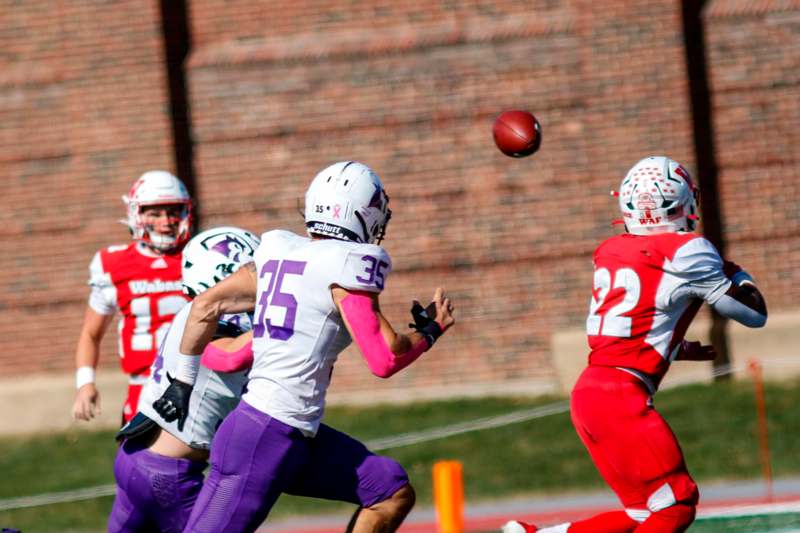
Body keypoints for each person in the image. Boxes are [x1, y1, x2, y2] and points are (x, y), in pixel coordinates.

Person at [152, 161, 456, 533]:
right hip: (265, 434)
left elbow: (205, 305)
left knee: (389, 489)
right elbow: (384, 358)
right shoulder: (346, 265)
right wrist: (430, 332)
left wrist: (182, 381)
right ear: (361, 213)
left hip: (292, 431)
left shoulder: (277, 250)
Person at [503, 156, 767, 533]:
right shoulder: (687, 250)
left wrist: (672, 346)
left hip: (590, 391)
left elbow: (631, 322)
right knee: (676, 505)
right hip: (620, 396)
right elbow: (753, 314)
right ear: (684, 202)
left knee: (644, 512)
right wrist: (734, 270)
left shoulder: (610, 249)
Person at [109, 226, 260, 533]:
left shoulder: (192, 313)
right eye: (251, 271)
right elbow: (229, 353)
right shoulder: (218, 323)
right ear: (225, 274)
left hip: (133, 457)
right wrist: (288, 323)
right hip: (168, 474)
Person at [71, 170, 194, 425]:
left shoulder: (202, 255)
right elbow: (90, 334)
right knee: (137, 464)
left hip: (197, 383)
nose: (166, 221)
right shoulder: (113, 264)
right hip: (143, 387)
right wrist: (85, 383)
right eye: (155, 213)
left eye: (173, 211)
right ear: (136, 214)